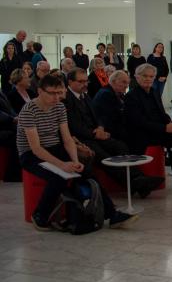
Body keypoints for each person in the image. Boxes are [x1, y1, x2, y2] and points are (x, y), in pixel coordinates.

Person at [18, 75, 137, 231]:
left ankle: (112, 214)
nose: (56, 97)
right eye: (52, 93)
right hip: (30, 154)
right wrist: (62, 165)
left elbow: (67, 139)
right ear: (40, 91)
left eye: (59, 93)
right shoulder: (29, 111)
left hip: (55, 147)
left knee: (88, 172)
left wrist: (75, 160)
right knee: (58, 177)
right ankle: (40, 214)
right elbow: (36, 148)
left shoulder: (59, 107)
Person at [64, 68, 163, 197]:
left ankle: (138, 179)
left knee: (119, 146)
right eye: (81, 81)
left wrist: (100, 127)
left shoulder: (85, 95)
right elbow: (73, 125)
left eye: (86, 81)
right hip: (81, 138)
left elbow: (96, 116)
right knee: (102, 154)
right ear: (70, 82)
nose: (85, 84)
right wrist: (95, 134)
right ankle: (134, 183)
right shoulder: (67, 98)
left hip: (96, 133)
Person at [125, 63, 172, 191]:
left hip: (157, 130)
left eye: (151, 76)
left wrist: (171, 124)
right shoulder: (131, 96)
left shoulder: (154, 92)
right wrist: (165, 128)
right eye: (145, 76)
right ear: (137, 77)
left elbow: (162, 114)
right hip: (141, 134)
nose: (148, 79)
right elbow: (139, 122)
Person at [92, 70, 129, 139]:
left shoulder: (118, 93)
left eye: (127, 83)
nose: (126, 86)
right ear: (113, 81)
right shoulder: (106, 94)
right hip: (107, 131)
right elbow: (112, 118)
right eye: (124, 82)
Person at [0, 89, 21, 181]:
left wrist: (17, 117)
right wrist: (12, 118)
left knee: (22, 134)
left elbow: (10, 109)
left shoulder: (1, 92)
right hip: (2, 129)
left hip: (7, 126)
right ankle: (12, 175)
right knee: (19, 138)